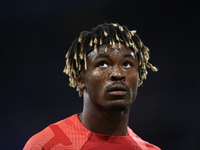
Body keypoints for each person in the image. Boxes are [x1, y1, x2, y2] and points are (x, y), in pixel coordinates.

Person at [23, 23, 160, 150]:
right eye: (103, 64)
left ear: (140, 76)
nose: (118, 74)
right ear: (80, 78)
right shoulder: (47, 145)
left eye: (127, 64)